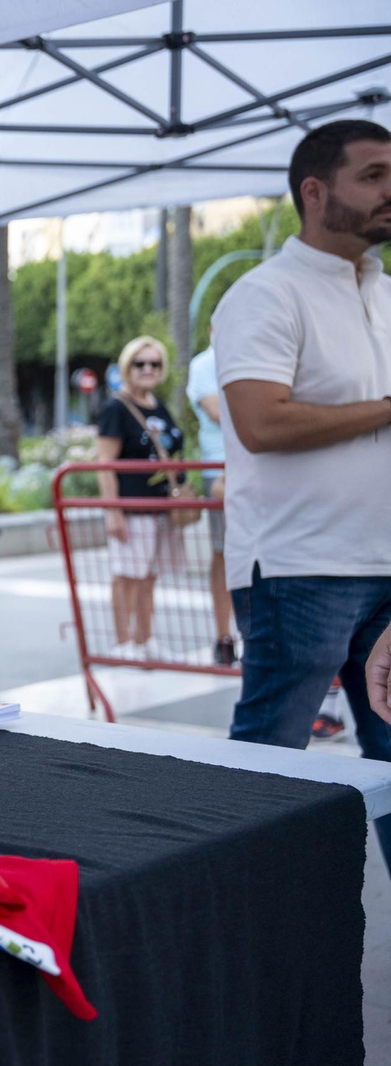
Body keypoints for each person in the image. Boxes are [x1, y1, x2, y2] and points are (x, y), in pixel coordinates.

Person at [213, 118, 391, 863]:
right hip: (298, 571)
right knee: (266, 772)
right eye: (375, 175)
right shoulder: (263, 295)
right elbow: (260, 421)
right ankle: (226, 927)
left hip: (383, 572)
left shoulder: (385, 293)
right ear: (315, 193)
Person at [96, 336, 186, 660]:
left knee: (148, 577)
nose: (148, 369)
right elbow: (104, 463)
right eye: (140, 363)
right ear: (127, 367)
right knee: (127, 578)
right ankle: (123, 644)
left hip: (160, 507)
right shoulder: (116, 408)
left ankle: (145, 639)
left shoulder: (159, 405)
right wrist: (112, 511)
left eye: (155, 363)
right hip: (132, 508)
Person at [183, 334, 237, 666]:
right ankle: (224, 636)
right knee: (223, 553)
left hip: (260, 464)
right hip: (220, 466)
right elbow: (217, 412)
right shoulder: (204, 364)